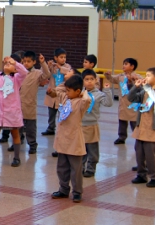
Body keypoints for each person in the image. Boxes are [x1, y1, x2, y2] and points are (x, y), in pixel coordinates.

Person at [47, 75, 92, 203]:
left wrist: (84, 91)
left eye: (69, 90)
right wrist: (54, 90)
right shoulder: (66, 98)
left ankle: (77, 191)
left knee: (76, 169)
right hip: (62, 139)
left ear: (77, 91)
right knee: (62, 167)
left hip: (74, 140)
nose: (66, 92)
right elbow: (58, 92)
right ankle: (63, 189)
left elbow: (87, 100)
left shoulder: (81, 103)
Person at [128, 67, 155, 188]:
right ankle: (141, 174)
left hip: (152, 128)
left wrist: (147, 88)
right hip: (141, 128)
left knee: (151, 155)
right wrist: (136, 86)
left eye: (148, 75)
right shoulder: (144, 92)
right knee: (139, 152)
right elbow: (131, 98)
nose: (145, 77)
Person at [6, 51, 50, 154]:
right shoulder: (18, 73)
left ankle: (32, 145)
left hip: (30, 105)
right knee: (17, 127)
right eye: (24, 61)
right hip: (17, 104)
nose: (26, 63)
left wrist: (43, 63)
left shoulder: (37, 74)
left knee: (30, 129)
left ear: (34, 62)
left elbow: (47, 74)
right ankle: (16, 143)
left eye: (29, 61)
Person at [80, 69, 113, 178]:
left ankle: (91, 168)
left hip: (92, 125)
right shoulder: (80, 93)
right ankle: (80, 167)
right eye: (86, 79)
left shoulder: (99, 94)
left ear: (96, 80)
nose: (89, 82)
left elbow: (108, 103)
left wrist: (107, 90)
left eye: (92, 79)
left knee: (92, 149)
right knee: (81, 148)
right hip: (80, 125)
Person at [104, 58, 143, 144]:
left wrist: (132, 81)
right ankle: (122, 137)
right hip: (123, 102)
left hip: (133, 103)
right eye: (123, 64)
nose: (123, 66)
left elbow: (140, 88)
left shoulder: (137, 77)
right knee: (122, 120)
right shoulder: (121, 76)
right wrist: (108, 75)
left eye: (126, 64)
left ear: (132, 66)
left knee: (134, 121)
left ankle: (138, 136)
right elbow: (112, 79)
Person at [41, 48, 72, 136]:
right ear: (55, 58)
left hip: (62, 94)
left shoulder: (67, 66)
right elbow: (45, 72)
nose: (63, 59)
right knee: (51, 113)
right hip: (52, 93)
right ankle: (51, 128)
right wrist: (46, 64)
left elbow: (69, 72)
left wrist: (60, 67)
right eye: (61, 57)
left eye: (64, 57)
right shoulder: (52, 67)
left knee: (62, 113)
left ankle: (63, 128)